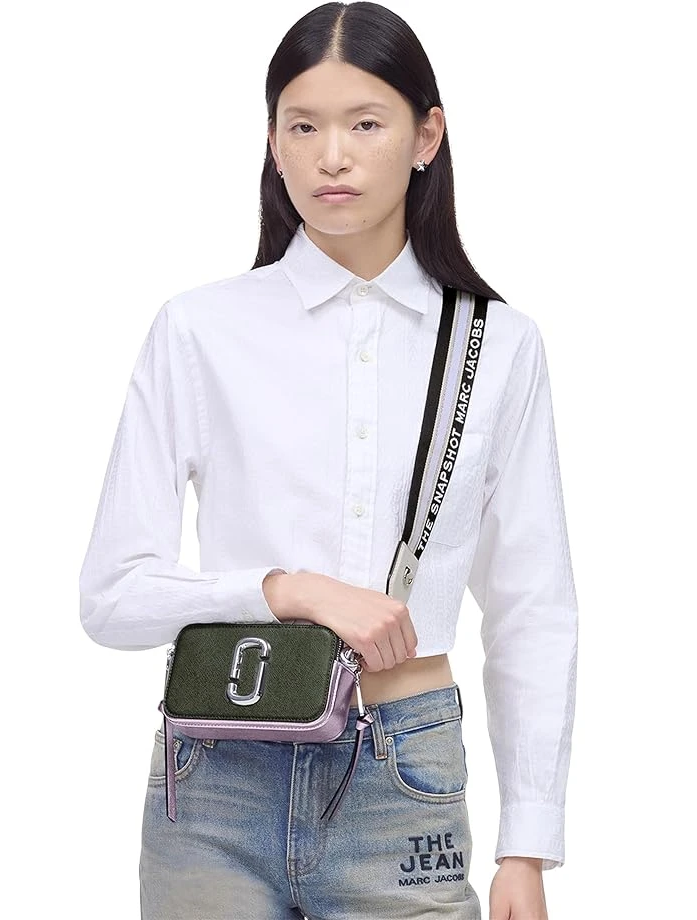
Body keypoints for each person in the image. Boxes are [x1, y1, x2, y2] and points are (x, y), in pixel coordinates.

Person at [78, 3, 578, 918]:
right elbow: (111, 597)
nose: (332, 157)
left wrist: (527, 845)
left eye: (366, 124)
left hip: (405, 777)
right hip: (215, 779)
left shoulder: (496, 345)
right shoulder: (200, 328)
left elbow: (532, 605)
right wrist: (287, 591)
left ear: (427, 136)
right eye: (303, 127)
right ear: (273, 143)